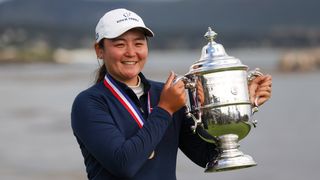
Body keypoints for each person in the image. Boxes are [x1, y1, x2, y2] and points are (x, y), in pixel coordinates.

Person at [71, 8, 272, 180]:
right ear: (99, 50)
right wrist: (165, 109)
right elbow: (124, 164)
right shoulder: (89, 103)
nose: (131, 52)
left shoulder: (164, 93)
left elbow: (209, 155)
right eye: (120, 44)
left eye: (138, 43)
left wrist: (241, 106)